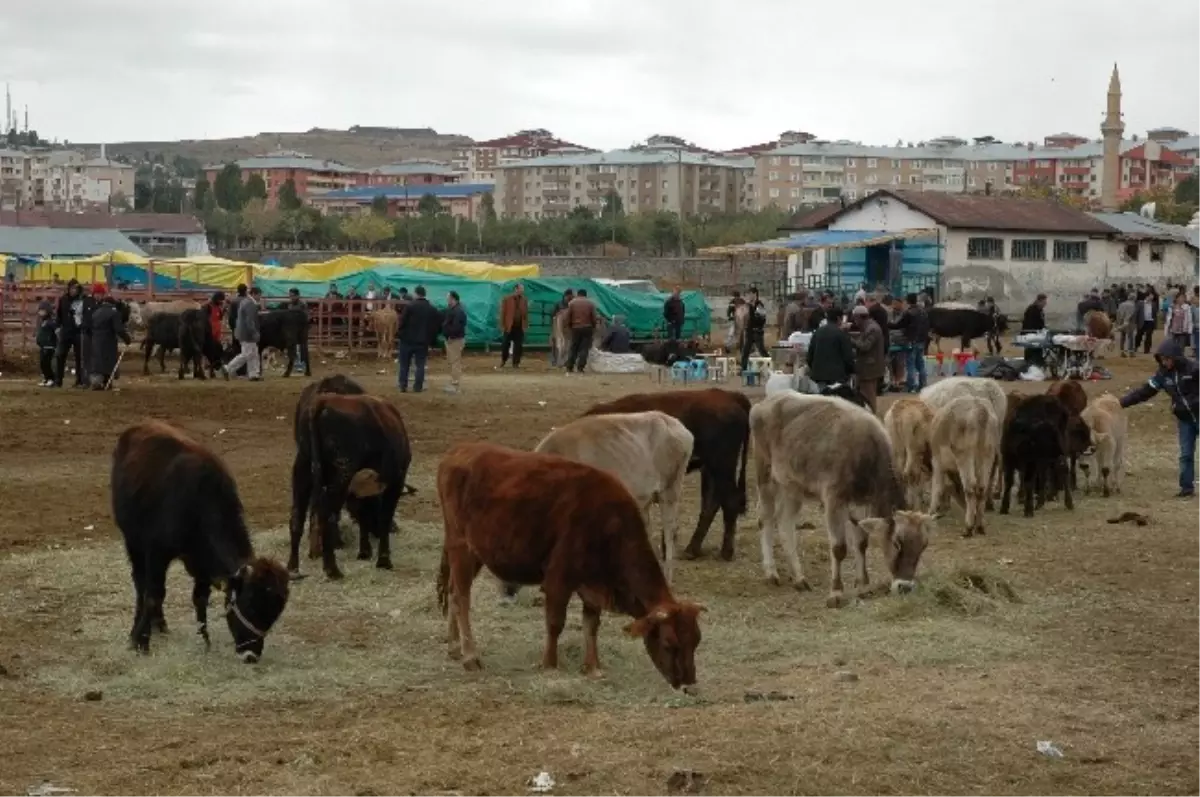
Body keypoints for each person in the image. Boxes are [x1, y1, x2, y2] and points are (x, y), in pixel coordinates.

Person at [1121, 338, 1200, 498]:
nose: (1165, 363)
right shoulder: (1162, 375)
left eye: (1167, 359)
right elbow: (1144, 392)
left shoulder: (1195, 369)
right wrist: (1121, 403)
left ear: (1176, 357)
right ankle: (1186, 489)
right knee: (1186, 454)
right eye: (1162, 360)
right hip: (1185, 420)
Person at [87, 287, 132, 390]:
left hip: (96, 340)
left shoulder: (96, 312)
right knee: (108, 362)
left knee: (98, 362)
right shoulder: (114, 313)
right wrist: (127, 339)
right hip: (108, 341)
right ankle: (107, 382)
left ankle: (96, 383)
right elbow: (119, 329)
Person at [397, 285, 437, 392]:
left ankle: (403, 385)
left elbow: (402, 322)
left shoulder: (410, 306)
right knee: (420, 365)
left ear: (416, 293)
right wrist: (431, 340)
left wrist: (400, 334)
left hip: (407, 340)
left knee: (404, 364)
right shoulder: (431, 308)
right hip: (422, 341)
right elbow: (434, 326)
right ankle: (418, 386)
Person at [805, 307, 855, 388]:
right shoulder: (841, 334)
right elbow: (848, 357)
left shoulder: (817, 332)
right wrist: (851, 371)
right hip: (837, 377)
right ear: (839, 318)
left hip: (819, 376)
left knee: (822, 399)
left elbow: (809, 356)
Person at [890, 293, 930, 393]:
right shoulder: (923, 312)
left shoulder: (909, 313)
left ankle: (911, 386)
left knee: (910, 364)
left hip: (911, 341)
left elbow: (899, 325)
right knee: (920, 364)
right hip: (922, 341)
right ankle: (922, 384)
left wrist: (887, 324)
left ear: (908, 301)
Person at [53, 278, 89, 388]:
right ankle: (58, 380)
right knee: (60, 355)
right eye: (71, 288)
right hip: (66, 331)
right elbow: (59, 314)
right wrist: (58, 327)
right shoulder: (63, 299)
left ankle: (79, 380)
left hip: (78, 332)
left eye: (75, 288)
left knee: (79, 357)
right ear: (68, 289)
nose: (73, 290)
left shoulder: (83, 300)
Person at [849, 305, 885, 412]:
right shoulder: (869, 326)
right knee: (868, 393)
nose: (854, 321)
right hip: (870, 365)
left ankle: (872, 414)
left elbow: (865, 346)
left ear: (859, 317)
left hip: (869, 366)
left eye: (855, 318)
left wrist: (851, 340)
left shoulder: (872, 329)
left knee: (868, 394)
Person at [222, 286, 262, 381]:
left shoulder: (246, 302)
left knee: (253, 353)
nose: (260, 297)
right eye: (259, 295)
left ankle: (254, 374)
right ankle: (228, 368)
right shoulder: (250, 304)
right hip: (247, 333)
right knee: (247, 353)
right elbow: (249, 321)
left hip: (243, 331)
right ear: (254, 294)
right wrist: (254, 332)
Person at [564, 288, 598, 374]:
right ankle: (580, 368)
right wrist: (594, 326)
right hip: (587, 328)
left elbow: (568, 317)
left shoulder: (572, 303)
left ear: (578, 294)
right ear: (585, 294)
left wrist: (568, 327)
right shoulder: (590, 303)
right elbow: (594, 317)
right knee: (584, 348)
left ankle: (569, 367)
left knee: (573, 348)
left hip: (575, 328)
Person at [497, 283, 528, 369]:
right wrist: (502, 325)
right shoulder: (507, 299)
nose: (522, 290)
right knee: (505, 344)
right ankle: (504, 359)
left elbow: (525, 314)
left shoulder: (524, 300)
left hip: (519, 326)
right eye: (521, 289)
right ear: (516, 289)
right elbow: (503, 313)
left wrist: (525, 325)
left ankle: (516, 363)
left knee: (518, 346)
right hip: (509, 326)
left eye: (522, 289)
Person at [442, 290, 467, 394]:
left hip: (455, 339)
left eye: (448, 298)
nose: (447, 300)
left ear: (453, 299)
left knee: (455, 362)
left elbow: (457, 327)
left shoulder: (458, 311)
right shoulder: (454, 310)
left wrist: (450, 335)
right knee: (453, 362)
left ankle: (455, 384)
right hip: (453, 339)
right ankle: (454, 382)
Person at [739, 288, 768, 372]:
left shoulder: (759, 305)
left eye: (750, 294)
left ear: (755, 294)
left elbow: (762, 319)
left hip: (757, 331)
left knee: (761, 350)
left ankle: (770, 365)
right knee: (745, 351)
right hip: (749, 331)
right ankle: (743, 368)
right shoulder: (747, 305)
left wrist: (754, 318)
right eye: (748, 294)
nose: (749, 296)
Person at [549, 288, 574, 366]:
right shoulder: (558, 304)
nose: (569, 299)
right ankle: (554, 360)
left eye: (571, 297)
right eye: (568, 297)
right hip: (557, 327)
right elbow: (552, 315)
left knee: (567, 344)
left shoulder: (572, 304)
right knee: (556, 344)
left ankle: (565, 361)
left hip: (568, 328)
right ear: (565, 296)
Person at [35, 300, 57, 387]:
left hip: (49, 346)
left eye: (42, 310)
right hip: (43, 346)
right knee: (42, 363)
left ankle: (51, 379)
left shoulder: (51, 322)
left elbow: (56, 332)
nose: (40, 312)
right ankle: (46, 378)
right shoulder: (42, 322)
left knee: (47, 363)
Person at [1135, 289, 1159, 354]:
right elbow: (1136, 313)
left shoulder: (1154, 304)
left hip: (1150, 322)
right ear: (1147, 296)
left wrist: (1155, 323)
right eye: (1151, 295)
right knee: (1139, 335)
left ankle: (1147, 350)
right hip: (1142, 321)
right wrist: (1135, 322)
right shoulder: (1140, 303)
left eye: (1153, 295)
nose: (1152, 297)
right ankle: (1136, 346)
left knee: (1149, 336)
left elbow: (1155, 315)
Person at [1116, 291, 1137, 357]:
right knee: (1130, 337)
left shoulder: (1121, 304)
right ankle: (1131, 352)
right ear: (1134, 298)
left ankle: (1122, 351)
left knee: (1123, 337)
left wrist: (1119, 323)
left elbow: (1118, 314)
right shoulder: (1132, 305)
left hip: (1121, 322)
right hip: (1130, 322)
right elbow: (1131, 315)